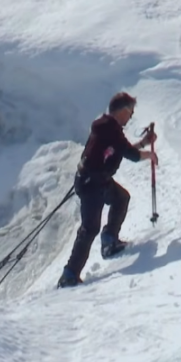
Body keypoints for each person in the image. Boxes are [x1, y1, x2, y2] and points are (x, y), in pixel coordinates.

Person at [57, 92, 159, 288]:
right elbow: (130, 153)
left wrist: (144, 145)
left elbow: (121, 149)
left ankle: (110, 242)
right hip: (91, 183)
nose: (131, 117)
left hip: (95, 180)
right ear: (123, 111)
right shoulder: (110, 129)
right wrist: (149, 155)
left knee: (121, 198)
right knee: (90, 228)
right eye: (130, 112)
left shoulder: (106, 127)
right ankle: (69, 274)